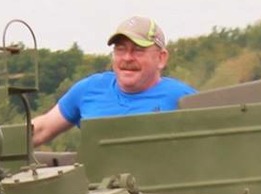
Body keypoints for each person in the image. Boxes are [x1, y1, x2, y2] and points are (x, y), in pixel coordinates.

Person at [29, 16, 196, 147]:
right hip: (99, 181)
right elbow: (42, 129)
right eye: (120, 49)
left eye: (138, 50)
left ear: (161, 58)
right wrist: (11, 142)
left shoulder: (183, 100)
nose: (127, 58)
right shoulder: (89, 90)